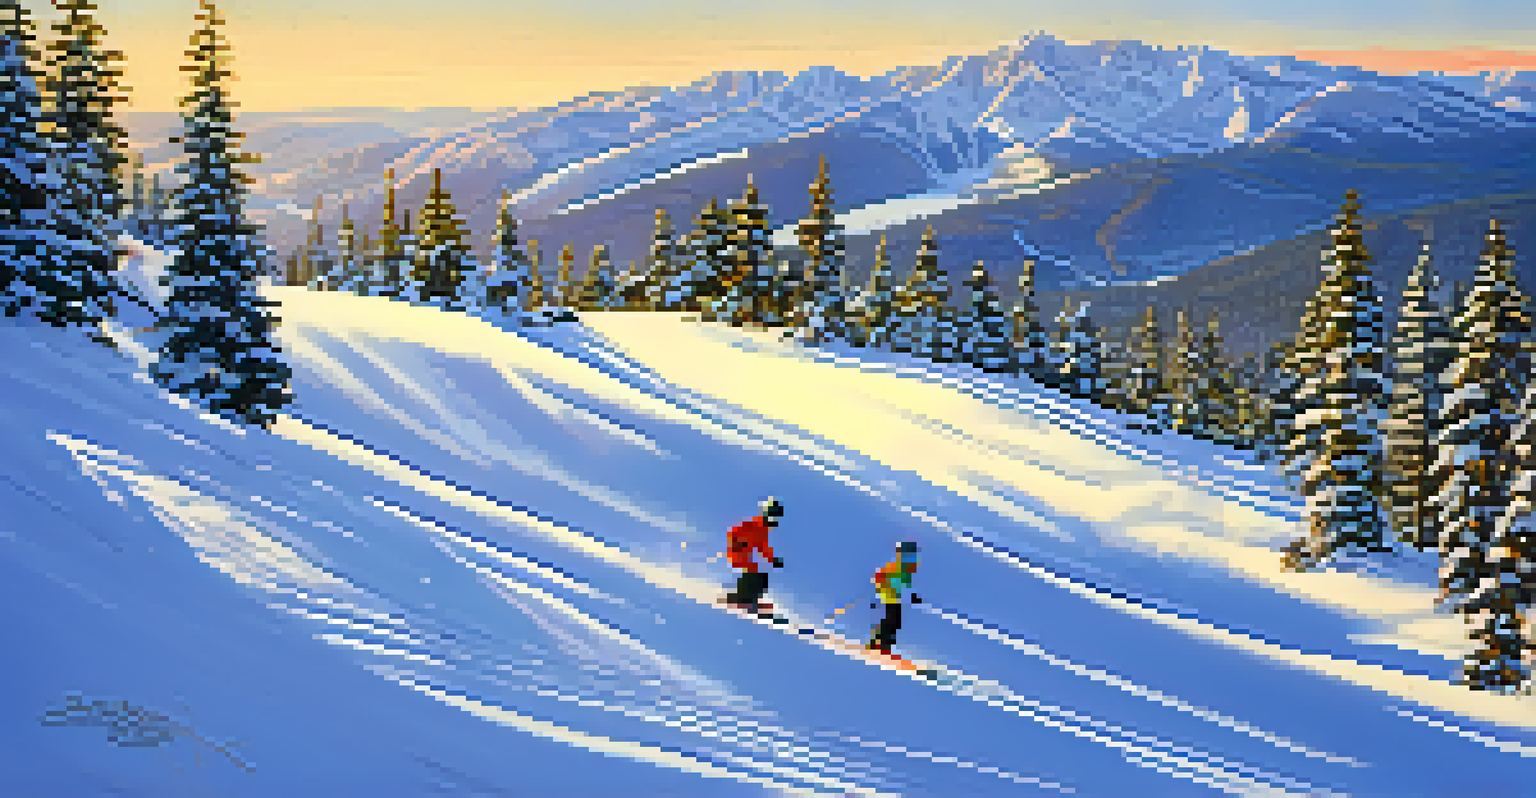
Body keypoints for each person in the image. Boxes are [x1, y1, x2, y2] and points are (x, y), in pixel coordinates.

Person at [722, 497, 784, 612]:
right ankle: (742, 597)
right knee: (751, 570)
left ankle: (750, 598)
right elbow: (733, 532)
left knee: (760, 575)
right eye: (771, 518)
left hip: (744, 555)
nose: (772, 523)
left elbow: (763, 549)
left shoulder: (763, 531)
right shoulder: (753, 525)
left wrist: (773, 560)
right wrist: (738, 543)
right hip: (737, 551)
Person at [868, 541, 921, 654]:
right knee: (893, 620)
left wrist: (911, 596)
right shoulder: (902, 566)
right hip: (891, 596)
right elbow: (900, 582)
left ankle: (879, 642)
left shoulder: (903, 567)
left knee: (892, 620)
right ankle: (883, 644)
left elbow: (903, 583)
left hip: (892, 596)